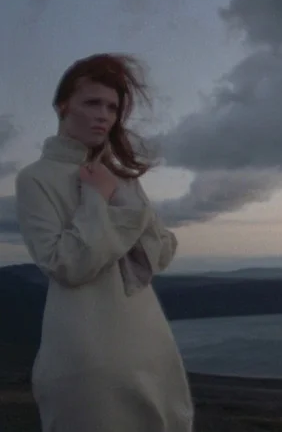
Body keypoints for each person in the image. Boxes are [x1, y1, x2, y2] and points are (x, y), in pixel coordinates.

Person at [14, 53, 194, 431]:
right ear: (63, 106)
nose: (103, 116)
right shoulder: (35, 178)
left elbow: (161, 253)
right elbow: (66, 264)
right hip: (86, 347)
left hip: (149, 342)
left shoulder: (120, 178)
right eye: (92, 103)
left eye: (112, 108)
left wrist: (123, 198)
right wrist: (97, 200)